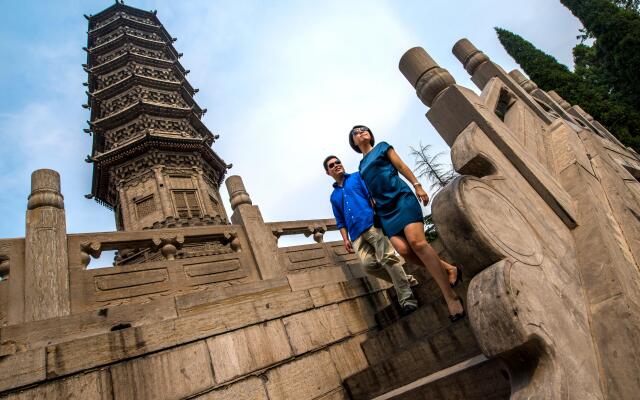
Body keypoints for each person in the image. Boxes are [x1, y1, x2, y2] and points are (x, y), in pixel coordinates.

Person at [348, 125, 465, 321]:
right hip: (385, 210)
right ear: (353, 142)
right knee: (404, 251)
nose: (361, 132)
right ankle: (449, 268)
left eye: (364, 129)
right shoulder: (361, 167)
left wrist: (417, 186)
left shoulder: (383, 147)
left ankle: (450, 297)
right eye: (356, 132)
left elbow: (401, 167)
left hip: (401, 198)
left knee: (417, 243)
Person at [324, 154, 419, 314]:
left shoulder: (356, 177)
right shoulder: (333, 197)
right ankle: (406, 279)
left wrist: (380, 214)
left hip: (371, 224)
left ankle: (407, 299)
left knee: (387, 257)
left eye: (338, 162)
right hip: (355, 235)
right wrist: (345, 238)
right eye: (332, 165)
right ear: (328, 172)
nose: (336, 165)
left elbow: (371, 196)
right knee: (369, 266)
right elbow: (340, 220)